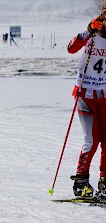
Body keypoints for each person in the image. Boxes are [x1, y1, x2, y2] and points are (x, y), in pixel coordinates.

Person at [67, 15, 106, 200]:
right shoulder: (92, 33)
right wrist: (88, 31)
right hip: (86, 94)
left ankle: (104, 184)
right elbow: (71, 48)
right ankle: (81, 182)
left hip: (105, 96)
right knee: (92, 139)